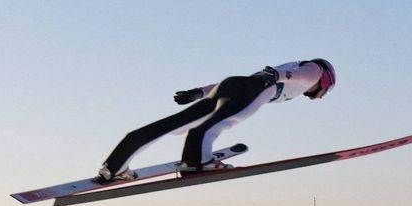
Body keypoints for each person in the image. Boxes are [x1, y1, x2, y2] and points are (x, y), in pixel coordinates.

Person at [96, 58, 336, 182]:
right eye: (326, 88)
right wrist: (276, 76)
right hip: (256, 89)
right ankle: (197, 161)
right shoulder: (313, 70)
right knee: (218, 123)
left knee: (175, 124)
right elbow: (302, 75)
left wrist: (200, 92)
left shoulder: (289, 69)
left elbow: (237, 82)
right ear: (325, 80)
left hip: (234, 84)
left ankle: (114, 166)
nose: (321, 93)